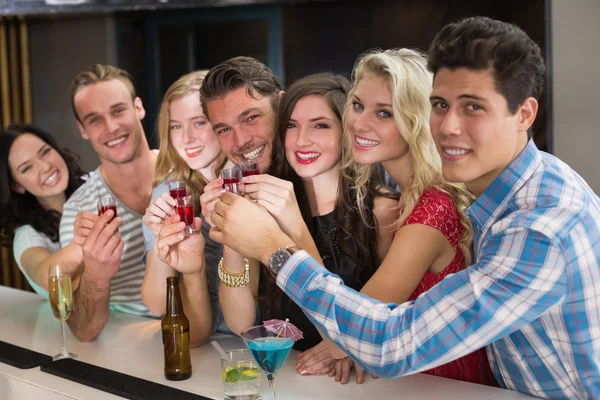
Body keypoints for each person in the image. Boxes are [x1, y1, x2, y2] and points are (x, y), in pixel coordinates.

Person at [209, 16, 600, 399]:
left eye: (473, 108)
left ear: (525, 114)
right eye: (441, 105)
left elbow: (387, 342)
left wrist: (273, 248)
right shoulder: (499, 188)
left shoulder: (537, 226)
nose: (447, 126)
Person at [296, 49, 495, 386]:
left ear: (417, 121)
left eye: (384, 113)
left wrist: (288, 228)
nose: (359, 123)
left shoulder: (434, 209)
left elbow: (356, 329)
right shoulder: (409, 196)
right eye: (357, 105)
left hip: (447, 389)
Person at [220, 73, 398, 360]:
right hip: (284, 371)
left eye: (321, 126)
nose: (302, 141)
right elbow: (240, 322)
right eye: (292, 125)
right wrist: (230, 227)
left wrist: (341, 352)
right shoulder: (265, 200)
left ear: (348, 131)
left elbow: (364, 332)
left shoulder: (381, 210)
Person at [59, 64, 157, 342]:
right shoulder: (80, 211)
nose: (111, 127)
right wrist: (96, 277)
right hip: (131, 344)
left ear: (138, 107)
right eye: (94, 120)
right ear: (82, 130)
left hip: (213, 340)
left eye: (118, 111)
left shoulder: (186, 172)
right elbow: (82, 330)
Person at [140, 70, 233, 346]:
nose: (187, 138)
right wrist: (160, 239)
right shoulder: (169, 191)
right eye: (176, 126)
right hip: (212, 339)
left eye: (199, 122)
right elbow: (158, 305)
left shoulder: (248, 177)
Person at [0, 123, 86, 295]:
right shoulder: (28, 236)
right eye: (27, 168)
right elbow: (46, 275)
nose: (46, 167)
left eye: (45, 152)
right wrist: (88, 240)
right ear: (16, 185)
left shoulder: (93, 185)